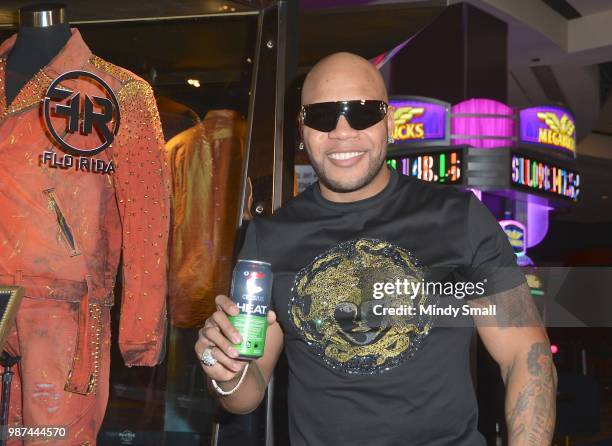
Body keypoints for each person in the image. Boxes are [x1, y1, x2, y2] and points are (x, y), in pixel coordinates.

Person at [195, 52, 557, 445]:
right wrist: (225, 371)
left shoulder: (459, 219)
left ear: (389, 123)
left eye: (363, 113)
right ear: (301, 130)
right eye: (321, 116)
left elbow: (527, 356)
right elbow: (248, 393)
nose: (342, 132)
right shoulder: (268, 238)